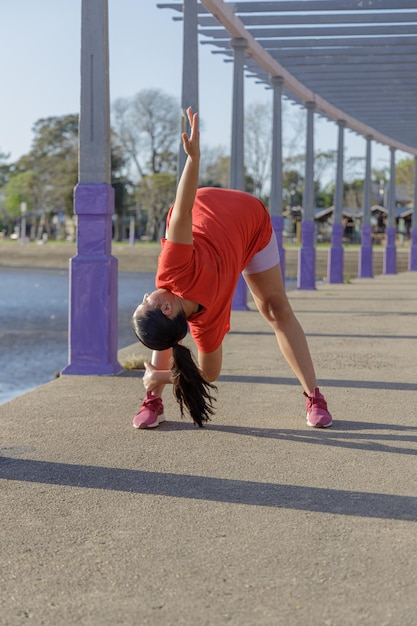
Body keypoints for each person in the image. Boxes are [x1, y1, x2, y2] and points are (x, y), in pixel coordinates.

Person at [131, 106, 332, 430]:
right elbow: (208, 373)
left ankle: (314, 396)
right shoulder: (203, 322)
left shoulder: (171, 271)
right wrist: (164, 376)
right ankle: (153, 399)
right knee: (167, 334)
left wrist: (193, 159)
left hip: (244, 219)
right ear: (167, 305)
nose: (145, 295)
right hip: (226, 243)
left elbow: (182, 212)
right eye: (145, 302)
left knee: (276, 308)